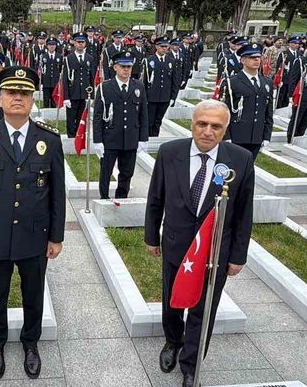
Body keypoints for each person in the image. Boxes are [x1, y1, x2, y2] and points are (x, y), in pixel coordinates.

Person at [0, 65, 65, 381]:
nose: (17, 97)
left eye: (24, 93)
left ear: (32, 99)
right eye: (11, 92)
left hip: (35, 235)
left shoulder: (49, 139)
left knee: (34, 293)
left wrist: (56, 236)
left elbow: (57, 194)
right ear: (1, 97)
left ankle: (30, 343)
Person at [144, 99, 255, 387]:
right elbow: (156, 198)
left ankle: (191, 364)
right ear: (192, 124)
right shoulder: (170, 153)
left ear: (225, 129)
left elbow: (244, 212)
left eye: (216, 126)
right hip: (176, 244)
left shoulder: (241, 159)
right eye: (202, 124)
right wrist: (151, 236)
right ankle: (172, 341)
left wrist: (238, 256)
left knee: (204, 309)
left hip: (215, 251)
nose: (207, 131)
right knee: (173, 299)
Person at [93, 50, 149, 200]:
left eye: (129, 67)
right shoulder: (105, 87)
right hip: (110, 138)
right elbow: (98, 116)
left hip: (130, 138)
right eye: (123, 66)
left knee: (127, 173)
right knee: (106, 172)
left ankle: (121, 198)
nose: (126, 70)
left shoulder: (138, 86)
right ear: (115, 67)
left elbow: (143, 114)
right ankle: (104, 199)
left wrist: (143, 138)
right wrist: (97, 140)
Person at [218, 43, 274, 159]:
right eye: (252, 57)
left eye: (258, 57)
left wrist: (266, 135)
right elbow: (223, 112)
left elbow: (268, 112)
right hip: (237, 135)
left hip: (256, 135)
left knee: (249, 167)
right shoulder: (232, 82)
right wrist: (226, 136)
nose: (257, 60)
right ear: (243, 60)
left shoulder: (267, 82)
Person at [63, 32, 98, 138]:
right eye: (78, 42)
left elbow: (91, 78)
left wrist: (91, 96)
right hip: (72, 94)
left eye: (82, 42)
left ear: (85, 43)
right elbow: (65, 79)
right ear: (74, 43)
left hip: (85, 94)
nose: (80, 44)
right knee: (71, 118)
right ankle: (71, 138)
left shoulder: (89, 58)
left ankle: (79, 137)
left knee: (81, 119)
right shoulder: (68, 59)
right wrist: (66, 97)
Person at [144, 38, 181, 137]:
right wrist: (144, 97)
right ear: (156, 46)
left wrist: (173, 97)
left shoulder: (171, 61)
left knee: (158, 120)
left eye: (166, 46)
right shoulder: (149, 61)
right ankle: (149, 138)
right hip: (151, 97)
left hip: (165, 97)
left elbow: (175, 81)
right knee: (150, 121)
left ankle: (155, 137)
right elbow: (144, 81)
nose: (164, 48)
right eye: (162, 46)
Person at [39, 37, 64, 108]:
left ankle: (53, 112)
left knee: (54, 101)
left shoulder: (59, 57)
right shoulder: (43, 57)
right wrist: (41, 83)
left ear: (55, 46)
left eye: (53, 44)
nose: (51, 46)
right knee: (46, 101)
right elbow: (40, 71)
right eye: (50, 44)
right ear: (47, 46)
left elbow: (61, 70)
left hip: (55, 82)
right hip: (46, 82)